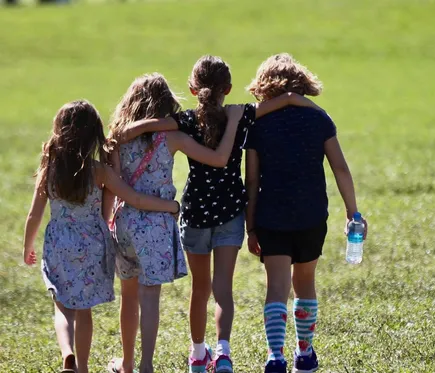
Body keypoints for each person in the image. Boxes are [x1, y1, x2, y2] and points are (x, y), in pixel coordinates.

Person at [110, 55, 324, 373]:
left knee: (200, 289)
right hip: (230, 213)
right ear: (228, 88)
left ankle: (198, 354)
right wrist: (307, 106)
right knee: (223, 287)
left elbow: (154, 124)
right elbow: (285, 101)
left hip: (195, 213)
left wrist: (125, 131)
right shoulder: (240, 115)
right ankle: (223, 352)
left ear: (193, 89)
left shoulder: (185, 121)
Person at [105, 73, 253, 373]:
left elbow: (114, 184)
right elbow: (216, 159)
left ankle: (128, 364)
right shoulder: (172, 138)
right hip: (157, 226)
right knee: (149, 297)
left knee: (128, 297)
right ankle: (147, 364)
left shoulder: (116, 140)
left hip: (124, 224)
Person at [22, 100, 180, 373]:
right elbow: (134, 199)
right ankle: (83, 367)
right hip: (93, 243)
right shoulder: (100, 172)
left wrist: (28, 247)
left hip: (59, 242)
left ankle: (67, 355)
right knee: (84, 311)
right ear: (94, 134)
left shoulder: (50, 168)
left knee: (62, 307)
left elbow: (34, 214)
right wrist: (171, 206)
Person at [244, 53, 368, 373]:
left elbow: (253, 179)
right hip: (312, 215)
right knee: (305, 282)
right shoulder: (319, 119)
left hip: (271, 215)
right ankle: (304, 352)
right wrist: (352, 212)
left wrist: (251, 225)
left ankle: (275, 355)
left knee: (276, 287)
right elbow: (339, 167)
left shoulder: (258, 123)